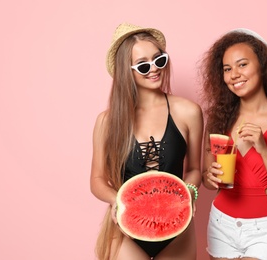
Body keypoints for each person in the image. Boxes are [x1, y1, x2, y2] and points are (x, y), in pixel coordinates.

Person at [90, 22, 203, 260]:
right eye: (143, 65)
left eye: (159, 60)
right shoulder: (107, 122)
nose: (154, 69)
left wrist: (189, 192)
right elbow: (97, 179)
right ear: (125, 71)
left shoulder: (189, 112)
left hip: (177, 225)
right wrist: (117, 201)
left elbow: (193, 169)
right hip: (125, 229)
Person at [199, 28, 267, 260]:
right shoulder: (218, 119)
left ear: (262, 66)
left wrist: (264, 150)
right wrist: (209, 176)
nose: (234, 74)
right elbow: (209, 181)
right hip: (221, 224)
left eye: (242, 65)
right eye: (227, 69)